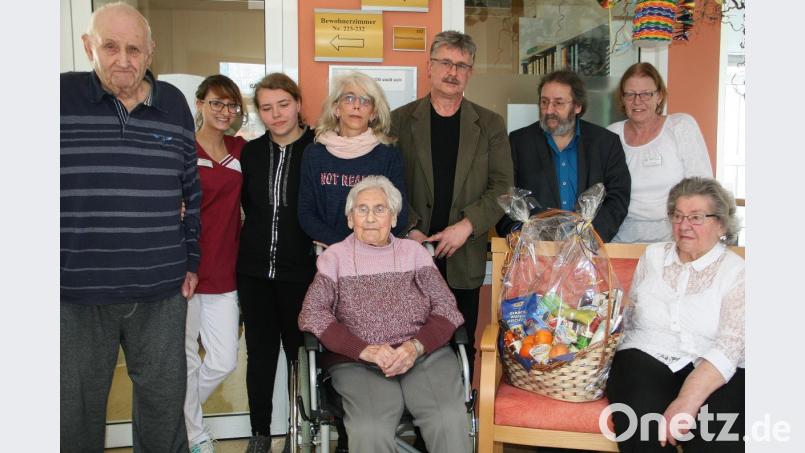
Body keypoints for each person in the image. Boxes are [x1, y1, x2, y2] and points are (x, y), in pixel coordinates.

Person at [60, 3, 199, 452]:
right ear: (88, 47)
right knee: (74, 412)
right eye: (110, 46)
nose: (124, 59)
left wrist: (191, 260)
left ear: (151, 51)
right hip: (76, 291)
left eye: (134, 48)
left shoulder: (174, 104)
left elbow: (190, 191)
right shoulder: (55, 97)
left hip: (160, 288)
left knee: (163, 406)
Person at [298, 176, 470, 453]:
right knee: (370, 429)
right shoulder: (335, 258)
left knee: (447, 419)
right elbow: (313, 313)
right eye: (361, 209)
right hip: (359, 363)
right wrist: (364, 350)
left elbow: (447, 308)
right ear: (350, 219)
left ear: (393, 218)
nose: (370, 218)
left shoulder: (414, 253)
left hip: (423, 355)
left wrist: (415, 347)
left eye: (380, 209)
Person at [391, 31, 513, 373]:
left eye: (461, 65)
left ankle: (460, 419)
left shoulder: (489, 124)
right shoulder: (400, 120)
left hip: (463, 254)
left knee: (461, 343)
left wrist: (467, 226)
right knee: (407, 342)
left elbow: (504, 187)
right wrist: (410, 228)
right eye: (445, 62)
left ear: (470, 72)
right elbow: (387, 185)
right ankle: (418, 423)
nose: (452, 72)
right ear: (429, 67)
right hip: (412, 252)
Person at [606, 177, 744, 452]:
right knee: (642, 427)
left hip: (716, 368)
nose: (683, 226)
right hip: (646, 357)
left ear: (721, 224)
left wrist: (687, 401)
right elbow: (631, 316)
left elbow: (730, 345)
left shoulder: (737, 272)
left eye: (696, 217)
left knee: (716, 435)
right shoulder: (653, 256)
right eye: (678, 216)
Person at [237, 73, 317, 453]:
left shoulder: (320, 149)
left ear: (298, 103)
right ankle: (260, 433)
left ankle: (297, 431)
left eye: (283, 104)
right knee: (260, 355)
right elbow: (250, 209)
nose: (276, 114)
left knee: (298, 354)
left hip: (301, 274)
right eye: (266, 108)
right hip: (254, 272)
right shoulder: (250, 154)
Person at [182, 74, 247, 453]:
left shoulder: (240, 150)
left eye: (231, 105)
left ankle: (179, 414)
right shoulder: (184, 150)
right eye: (216, 103)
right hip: (185, 268)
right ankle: (194, 435)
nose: (224, 111)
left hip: (224, 267)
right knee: (187, 358)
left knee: (223, 360)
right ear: (200, 104)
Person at [497, 68, 630, 243]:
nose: (549, 110)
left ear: (577, 106)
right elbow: (501, 194)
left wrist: (591, 239)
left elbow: (618, 198)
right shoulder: (519, 142)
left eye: (558, 103)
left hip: (588, 253)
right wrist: (518, 233)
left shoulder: (605, 143)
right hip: (536, 253)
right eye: (544, 102)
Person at [298, 71, 408, 247]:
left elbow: (399, 213)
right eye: (349, 98)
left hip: (375, 254)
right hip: (329, 252)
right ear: (336, 109)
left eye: (365, 101)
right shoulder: (314, 154)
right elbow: (306, 212)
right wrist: (342, 247)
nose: (357, 106)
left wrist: (365, 246)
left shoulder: (388, 154)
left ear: (373, 113)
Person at [608, 62, 713, 243]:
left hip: (675, 236)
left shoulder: (680, 126)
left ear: (659, 96)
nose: (637, 101)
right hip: (621, 236)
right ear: (622, 99)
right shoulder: (611, 135)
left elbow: (702, 187)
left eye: (646, 94)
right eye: (630, 94)